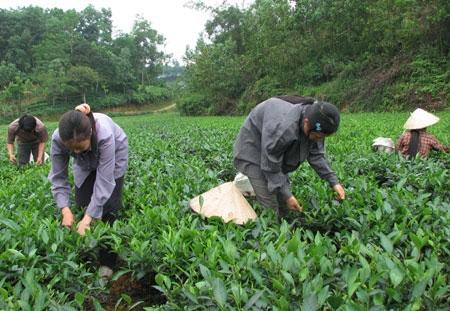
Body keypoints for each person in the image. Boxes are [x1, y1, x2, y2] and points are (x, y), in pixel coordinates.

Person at [233, 95, 345, 222]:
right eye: (317, 136)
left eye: (321, 137)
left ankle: (283, 228)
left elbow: (317, 155)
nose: (318, 139)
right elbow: (271, 165)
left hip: (273, 149)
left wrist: (334, 182)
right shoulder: (284, 128)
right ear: (307, 122)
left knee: (283, 202)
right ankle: (270, 234)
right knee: (270, 205)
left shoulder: (317, 124)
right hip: (253, 151)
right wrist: (287, 195)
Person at [48, 103, 128, 279]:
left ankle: (107, 261)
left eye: (80, 148)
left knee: (107, 208)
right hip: (85, 164)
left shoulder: (104, 135)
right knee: (83, 202)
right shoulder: (58, 139)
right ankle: (88, 250)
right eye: (72, 150)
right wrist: (65, 210)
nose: (75, 152)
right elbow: (58, 177)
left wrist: (89, 218)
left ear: (90, 133)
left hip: (114, 157)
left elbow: (104, 181)